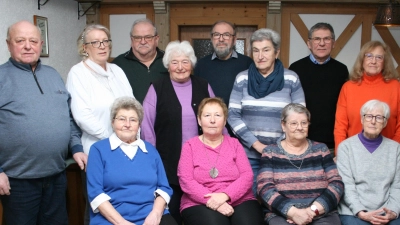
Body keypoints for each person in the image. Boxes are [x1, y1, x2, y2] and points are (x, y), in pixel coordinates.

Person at [0, 20, 87, 225]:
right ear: (8, 44)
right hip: (18, 182)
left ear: (41, 44)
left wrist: (76, 147)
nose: (28, 46)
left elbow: (68, 117)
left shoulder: (53, 75)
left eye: (33, 40)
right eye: (20, 41)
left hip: (56, 176)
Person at [141, 40, 216, 224]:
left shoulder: (203, 85)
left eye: (185, 61)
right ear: (168, 65)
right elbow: (146, 125)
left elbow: (217, 118)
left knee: (201, 210)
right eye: (175, 62)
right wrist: (153, 159)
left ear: (191, 64)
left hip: (201, 162)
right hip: (168, 163)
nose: (180, 67)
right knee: (172, 211)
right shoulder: (157, 87)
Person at [66, 24, 134, 225]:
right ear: (84, 47)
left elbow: (132, 105)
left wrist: (130, 139)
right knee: (100, 205)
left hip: (127, 148)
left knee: (124, 203)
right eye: (95, 42)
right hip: (98, 150)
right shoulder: (78, 73)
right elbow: (82, 115)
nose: (102, 46)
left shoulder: (117, 70)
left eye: (105, 41)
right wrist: (113, 140)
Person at [228, 28, 305, 195]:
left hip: (283, 154)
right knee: (251, 203)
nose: (260, 56)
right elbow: (232, 115)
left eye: (266, 50)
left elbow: (299, 117)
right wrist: (257, 145)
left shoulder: (291, 78)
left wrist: (278, 146)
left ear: (276, 52)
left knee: (280, 201)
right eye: (255, 51)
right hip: (248, 157)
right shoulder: (242, 78)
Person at [86, 96, 177, 225]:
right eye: (122, 119)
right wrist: (122, 223)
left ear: (139, 125)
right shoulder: (98, 150)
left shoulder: (150, 150)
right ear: (113, 122)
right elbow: (95, 193)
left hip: (151, 216)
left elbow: (164, 188)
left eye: (133, 120)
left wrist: (155, 215)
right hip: (111, 218)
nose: (127, 124)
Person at [178, 97, 264, 225]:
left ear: (224, 121)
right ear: (199, 120)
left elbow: (247, 176)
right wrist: (213, 201)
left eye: (217, 115)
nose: (212, 120)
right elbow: (186, 180)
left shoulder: (234, 144)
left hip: (239, 199)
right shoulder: (189, 146)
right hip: (199, 201)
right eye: (207, 115)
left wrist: (225, 195)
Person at [257, 103, 344, 225]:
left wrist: (312, 211)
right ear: (283, 125)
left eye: (304, 123)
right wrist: (292, 213)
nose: (300, 127)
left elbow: (336, 184)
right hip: (282, 215)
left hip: (321, 214)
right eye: (294, 123)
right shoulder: (270, 152)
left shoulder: (321, 149)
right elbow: (264, 188)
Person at [337, 100, 400, 225]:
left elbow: (397, 186)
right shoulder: (346, 147)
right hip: (354, 212)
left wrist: (393, 211)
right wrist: (360, 212)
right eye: (369, 116)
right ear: (362, 119)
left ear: (385, 122)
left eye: (379, 117)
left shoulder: (395, 148)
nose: (373, 121)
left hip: (387, 211)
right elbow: (347, 185)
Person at [289, 22, 348, 151]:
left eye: (327, 39)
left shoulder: (342, 70)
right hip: (302, 141)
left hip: (332, 142)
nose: (322, 43)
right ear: (309, 43)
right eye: (317, 39)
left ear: (333, 43)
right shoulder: (296, 69)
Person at [334, 40, 400, 152]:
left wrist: (393, 150)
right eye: (369, 56)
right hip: (353, 152)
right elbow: (340, 126)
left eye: (379, 57)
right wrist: (341, 152)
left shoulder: (396, 87)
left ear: (385, 62)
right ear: (362, 60)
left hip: (387, 152)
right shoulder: (348, 87)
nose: (373, 61)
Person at [113, 18, 168, 103]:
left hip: (164, 115)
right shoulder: (118, 64)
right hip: (131, 115)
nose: (143, 42)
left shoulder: (169, 60)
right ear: (132, 40)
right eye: (138, 38)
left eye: (148, 37)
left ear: (156, 39)